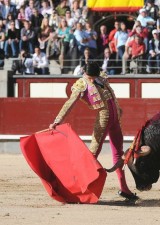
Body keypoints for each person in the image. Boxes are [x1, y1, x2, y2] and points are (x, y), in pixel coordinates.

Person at [49, 61, 139, 202]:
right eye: (90, 77)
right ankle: (79, 188)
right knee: (92, 155)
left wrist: (118, 109)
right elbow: (70, 102)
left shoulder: (100, 77)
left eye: (94, 77)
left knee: (118, 154)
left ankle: (124, 189)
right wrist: (57, 120)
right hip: (103, 120)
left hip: (115, 120)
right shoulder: (81, 84)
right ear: (85, 74)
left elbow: (111, 97)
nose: (92, 80)